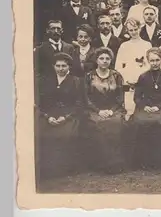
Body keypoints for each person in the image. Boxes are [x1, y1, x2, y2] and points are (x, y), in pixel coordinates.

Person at [35, 53, 84, 182]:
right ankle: (47, 169)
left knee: (66, 134)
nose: (61, 68)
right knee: (42, 132)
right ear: (53, 66)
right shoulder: (45, 80)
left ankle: (63, 168)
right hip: (49, 115)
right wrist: (47, 116)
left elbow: (79, 104)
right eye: (58, 66)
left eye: (64, 66)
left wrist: (65, 117)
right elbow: (41, 102)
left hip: (69, 115)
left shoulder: (76, 81)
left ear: (69, 67)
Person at [83, 47, 130, 174]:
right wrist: (98, 111)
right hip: (94, 110)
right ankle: (102, 164)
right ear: (96, 60)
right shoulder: (89, 76)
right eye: (101, 58)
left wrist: (111, 110)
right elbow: (86, 98)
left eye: (107, 58)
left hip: (114, 109)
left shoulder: (117, 75)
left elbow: (120, 97)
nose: (104, 61)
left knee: (115, 124)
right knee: (99, 124)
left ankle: (116, 163)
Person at [131, 48, 161, 169]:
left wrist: (158, 106)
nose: (154, 63)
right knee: (140, 122)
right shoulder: (143, 77)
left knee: (159, 121)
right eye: (152, 60)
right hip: (146, 108)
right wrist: (145, 107)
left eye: (157, 60)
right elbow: (137, 97)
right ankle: (144, 160)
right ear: (148, 61)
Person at [115, 18, 152, 118]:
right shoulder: (124, 46)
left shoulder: (147, 44)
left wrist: (141, 79)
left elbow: (149, 64)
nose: (134, 32)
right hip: (128, 82)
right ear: (127, 31)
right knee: (129, 108)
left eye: (136, 29)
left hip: (142, 80)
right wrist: (127, 79)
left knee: (141, 109)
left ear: (139, 28)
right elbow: (118, 66)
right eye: (131, 30)